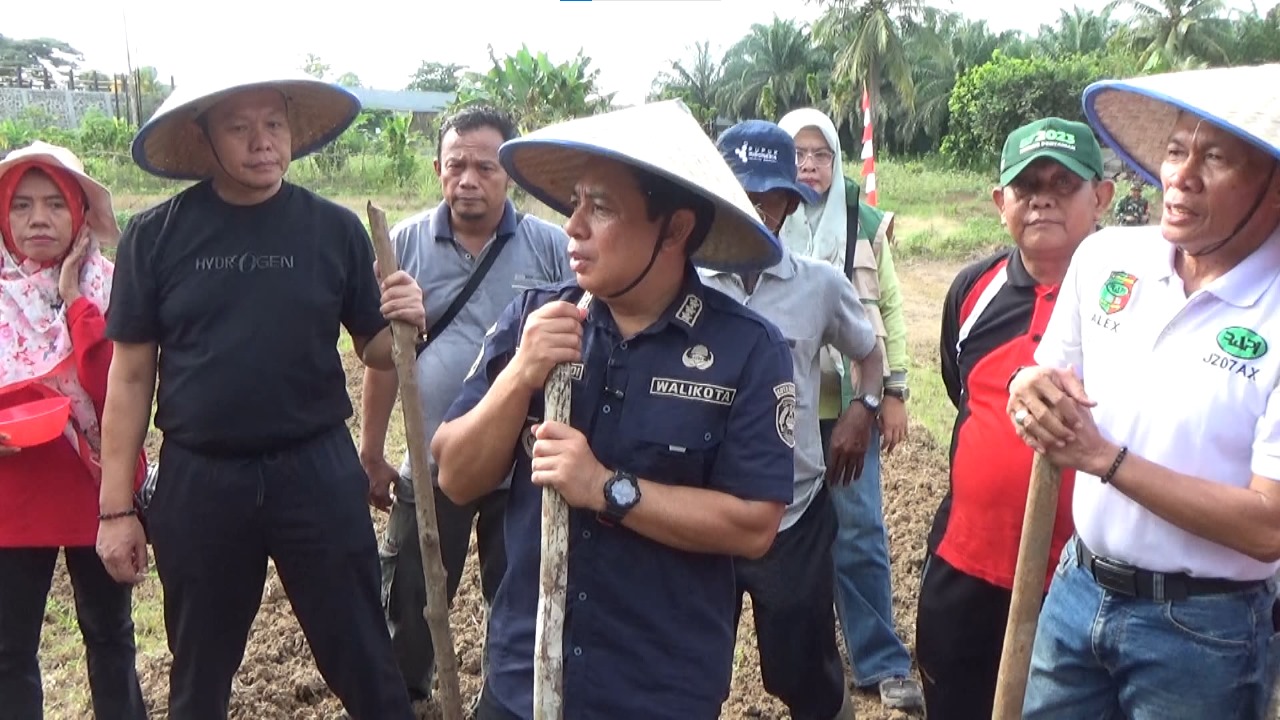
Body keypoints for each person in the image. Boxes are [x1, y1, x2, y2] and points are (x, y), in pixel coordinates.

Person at [431, 99, 796, 720]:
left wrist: (605, 488)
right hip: (524, 680)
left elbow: (753, 525)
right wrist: (522, 373)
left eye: (601, 208)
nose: (573, 225)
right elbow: (456, 475)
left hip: (656, 692)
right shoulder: (534, 319)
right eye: (575, 202)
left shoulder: (747, 351)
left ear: (675, 229)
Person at [94, 74, 426, 720]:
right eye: (239, 127)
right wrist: (115, 510)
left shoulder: (333, 231)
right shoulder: (156, 236)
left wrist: (410, 323)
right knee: (199, 669)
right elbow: (130, 377)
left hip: (318, 470)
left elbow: (377, 350)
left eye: (273, 124)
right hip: (200, 479)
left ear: (293, 131)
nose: (261, 143)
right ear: (205, 137)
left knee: (363, 654)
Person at [1008, 63, 1280, 718]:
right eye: (1177, 150)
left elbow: (1269, 525)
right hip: (1077, 590)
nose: (1180, 176)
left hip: (1204, 633)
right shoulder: (1108, 259)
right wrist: (1030, 390)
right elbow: (1049, 378)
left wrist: (1106, 459)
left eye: (1214, 158)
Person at [359, 104, 571, 704]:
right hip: (428, 469)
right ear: (437, 169)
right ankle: (407, 697)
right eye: (456, 166)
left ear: (509, 172)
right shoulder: (402, 244)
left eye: (484, 166)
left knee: (519, 600)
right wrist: (372, 453)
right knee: (412, 597)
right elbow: (383, 362)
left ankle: (506, 703)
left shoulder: (549, 247)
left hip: (524, 472)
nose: (468, 180)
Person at [915, 117, 1114, 718]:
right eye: (1026, 187)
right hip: (965, 565)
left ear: (1100, 197)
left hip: (1080, 585)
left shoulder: (1128, 300)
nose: (1042, 199)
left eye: (1063, 183)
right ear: (1000, 201)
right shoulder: (973, 292)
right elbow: (964, 395)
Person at [703, 119, 882, 720]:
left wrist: (866, 406)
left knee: (802, 670)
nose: (755, 209)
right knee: (693, 666)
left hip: (794, 511)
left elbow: (868, 350)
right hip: (699, 513)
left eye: (767, 195)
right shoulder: (684, 285)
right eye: (740, 194)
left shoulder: (820, 286)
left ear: (789, 201)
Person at [776, 107, 921, 709]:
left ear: (836, 162)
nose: (810, 166)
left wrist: (891, 394)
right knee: (785, 538)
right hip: (780, 410)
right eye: (799, 155)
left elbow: (886, 307)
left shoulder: (863, 219)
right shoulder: (758, 216)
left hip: (851, 407)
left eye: (821, 155)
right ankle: (801, 656)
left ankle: (880, 660)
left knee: (860, 530)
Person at [0, 142, 147, 719]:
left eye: (55, 205)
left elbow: (117, 389)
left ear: (80, 214)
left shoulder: (111, 286)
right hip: (16, 490)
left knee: (110, 636)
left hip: (99, 489)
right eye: (22, 206)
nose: (38, 219)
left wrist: (74, 301)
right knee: (9, 649)